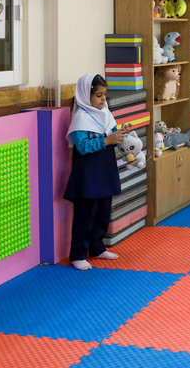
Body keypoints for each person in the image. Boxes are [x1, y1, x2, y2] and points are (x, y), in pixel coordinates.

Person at [64, 73, 131, 270]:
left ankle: (97, 247)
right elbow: (83, 147)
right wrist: (107, 140)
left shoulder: (106, 113)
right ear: (86, 95)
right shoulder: (80, 118)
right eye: (99, 95)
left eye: (104, 95)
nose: (103, 99)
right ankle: (78, 253)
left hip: (105, 169)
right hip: (88, 174)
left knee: (103, 211)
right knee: (86, 214)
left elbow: (112, 134)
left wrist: (121, 134)